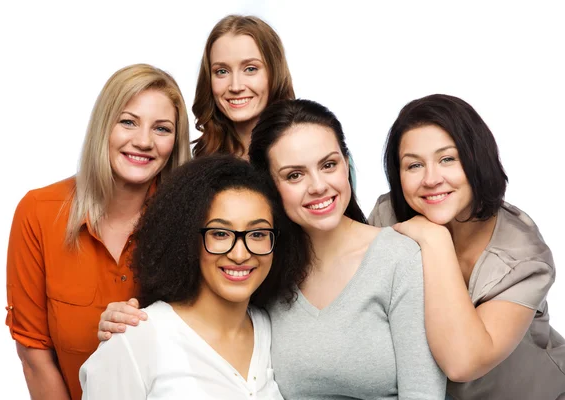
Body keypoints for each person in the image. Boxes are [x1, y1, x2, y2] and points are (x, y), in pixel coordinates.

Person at [100, 99, 447, 399]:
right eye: (294, 175)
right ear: (269, 187)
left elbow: (425, 392)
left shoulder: (398, 257)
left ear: (347, 163)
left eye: (329, 165)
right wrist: (125, 324)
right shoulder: (261, 265)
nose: (318, 186)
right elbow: (196, 320)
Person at [5, 63, 191, 400]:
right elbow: (34, 356)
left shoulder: (191, 223)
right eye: (128, 121)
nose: (144, 141)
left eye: (162, 129)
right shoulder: (38, 212)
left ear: (175, 141)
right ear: (103, 126)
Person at [369, 94, 565, 399]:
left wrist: (434, 241)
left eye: (448, 159)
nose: (431, 179)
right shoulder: (387, 217)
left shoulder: (523, 256)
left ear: (476, 159)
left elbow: (463, 363)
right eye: (414, 165)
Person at [81, 155, 308, 399]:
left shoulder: (269, 329)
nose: (240, 254)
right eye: (220, 234)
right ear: (188, 240)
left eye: (258, 234)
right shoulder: (135, 341)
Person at [192, 14, 294, 159]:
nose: (235, 86)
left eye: (250, 69)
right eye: (222, 71)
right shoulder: (201, 160)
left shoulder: (303, 146)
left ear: (274, 73)